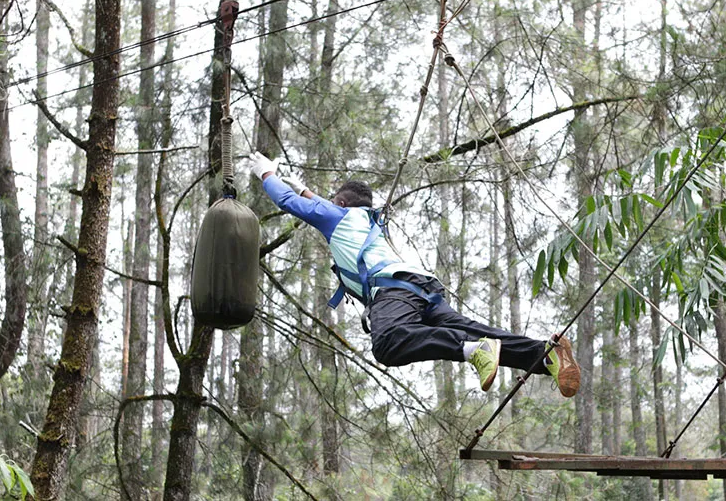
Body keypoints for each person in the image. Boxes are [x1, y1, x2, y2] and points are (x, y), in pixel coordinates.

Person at [246, 151, 581, 397]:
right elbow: (319, 204)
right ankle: (543, 354)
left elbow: (288, 201)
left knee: (389, 343)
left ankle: (473, 351)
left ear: (342, 204)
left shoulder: (339, 217)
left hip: (393, 290)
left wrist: (267, 173)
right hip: (422, 289)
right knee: (472, 329)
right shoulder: (367, 220)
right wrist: (308, 190)